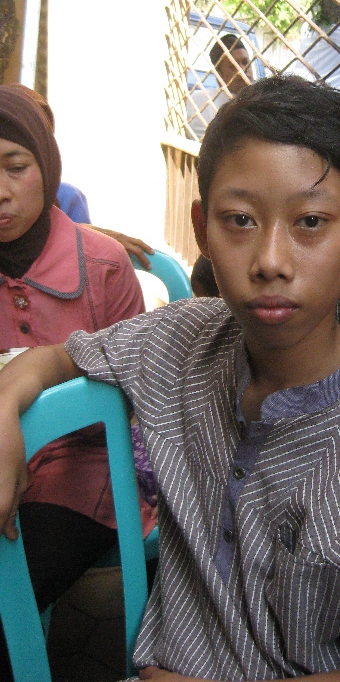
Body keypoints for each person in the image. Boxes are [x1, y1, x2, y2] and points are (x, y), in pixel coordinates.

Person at [0, 76, 340, 682]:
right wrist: (7, 400)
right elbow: (61, 357)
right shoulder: (183, 340)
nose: (270, 261)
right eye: (239, 220)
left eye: (311, 222)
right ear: (202, 227)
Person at [0, 83, 157, 679]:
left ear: (47, 165)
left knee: (7, 601)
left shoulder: (105, 267)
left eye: (16, 166)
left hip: (88, 473)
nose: (0, 190)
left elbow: (135, 396)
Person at [186, 33, 254, 140]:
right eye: (233, 66)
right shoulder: (201, 102)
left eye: (245, 63)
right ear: (219, 74)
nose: (242, 70)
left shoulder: (262, 100)